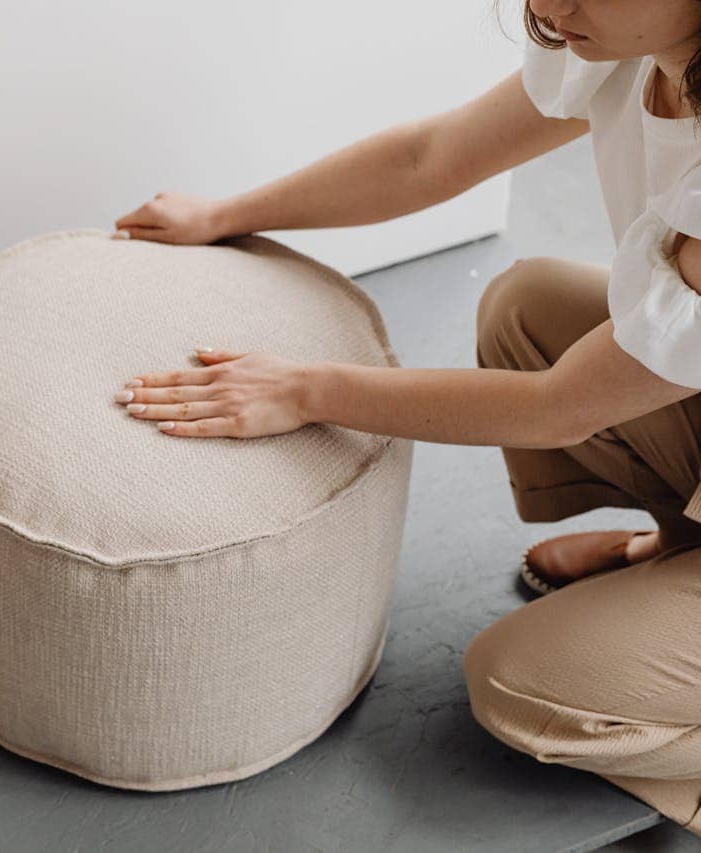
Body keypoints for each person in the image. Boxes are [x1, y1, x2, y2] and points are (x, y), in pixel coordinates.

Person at [111, 0, 701, 835]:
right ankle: (678, 550)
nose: (546, 6)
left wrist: (306, 390)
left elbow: (557, 406)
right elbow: (434, 157)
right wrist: (227, 213)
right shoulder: (619, 39)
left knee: (517, 683)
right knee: (525, 306)